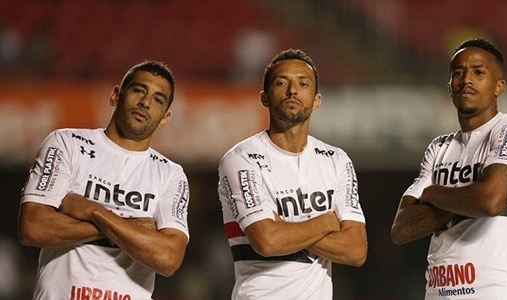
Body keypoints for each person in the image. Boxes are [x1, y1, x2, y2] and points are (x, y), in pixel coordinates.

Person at [17, 60, 190, 299]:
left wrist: (92, 211)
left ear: (164, 119)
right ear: (115, 96)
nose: (145, 102)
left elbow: (168, 258)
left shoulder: (170, 174)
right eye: (139, 90)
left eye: (158, 99)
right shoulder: (67, 144)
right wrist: (131, 228)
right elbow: (32, 227)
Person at [391, 38, 507, 299]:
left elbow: (491, 201)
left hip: (496, 292)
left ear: (499, 86)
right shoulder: (439, 147)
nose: (466, 79)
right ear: (449, 86)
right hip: (438, 292)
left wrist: (433, 193)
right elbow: (401, 228)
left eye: (479, 72)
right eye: (458, 73)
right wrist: (468, 198)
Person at [217, 49, 367, 299]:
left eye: (303, 83)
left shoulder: (336, 160)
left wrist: (284, 226)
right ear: (264, 98)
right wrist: (327, 222)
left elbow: (356, 250)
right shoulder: (241, 159)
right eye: (281, 82)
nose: (293, 90)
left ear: (317, 100)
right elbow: (267, 241)